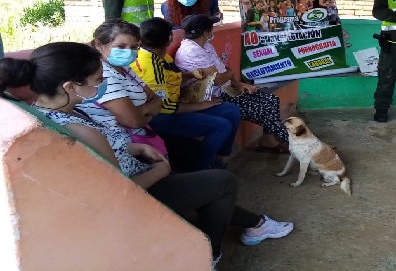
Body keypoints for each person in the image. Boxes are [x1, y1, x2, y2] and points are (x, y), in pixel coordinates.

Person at [0, 42, 294, 269]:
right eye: (97, 80)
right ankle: (210, 254)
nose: (102, 85)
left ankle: (255, 224)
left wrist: (135, 148)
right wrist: (161, 171)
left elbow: (105, 150)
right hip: (133, 197)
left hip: (135, 166)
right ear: (70, 86)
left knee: (201, 178)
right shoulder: (77, 126)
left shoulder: (53, 110)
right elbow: (121, 191)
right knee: (223, 182)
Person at [130, 17, 242, 171]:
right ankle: (199, 170)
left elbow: (170, 77)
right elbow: (164, 106)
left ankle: (221, 160)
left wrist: (190, 74)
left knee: (231, 111)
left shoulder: (156, 55)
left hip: (176, 104)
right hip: (161, 116)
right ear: (170, 38)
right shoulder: (150, 66)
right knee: (221, 126)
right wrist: (199, 106)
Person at [174, 15, 290, 153]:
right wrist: (230, 74)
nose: (212, 32)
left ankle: (268, 141)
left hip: (226, 89)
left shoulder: (206, 46)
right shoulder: (191, 50)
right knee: (264, 111)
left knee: (271, 100)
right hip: (212, 96)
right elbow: (218, 79)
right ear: (205, 33)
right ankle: (295, 143)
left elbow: (223, 71)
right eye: (211, 29)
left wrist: (239, 84)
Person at [77, 19, 166, 155]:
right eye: (121, 46)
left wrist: (141, 111)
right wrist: (147, 111)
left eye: (134, 47)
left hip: (142, 135)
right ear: (99, 45)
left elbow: (156, 99)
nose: (128, 52)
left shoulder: (124, 67)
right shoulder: (103, 74)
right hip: (124, 146)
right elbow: (134, 121)